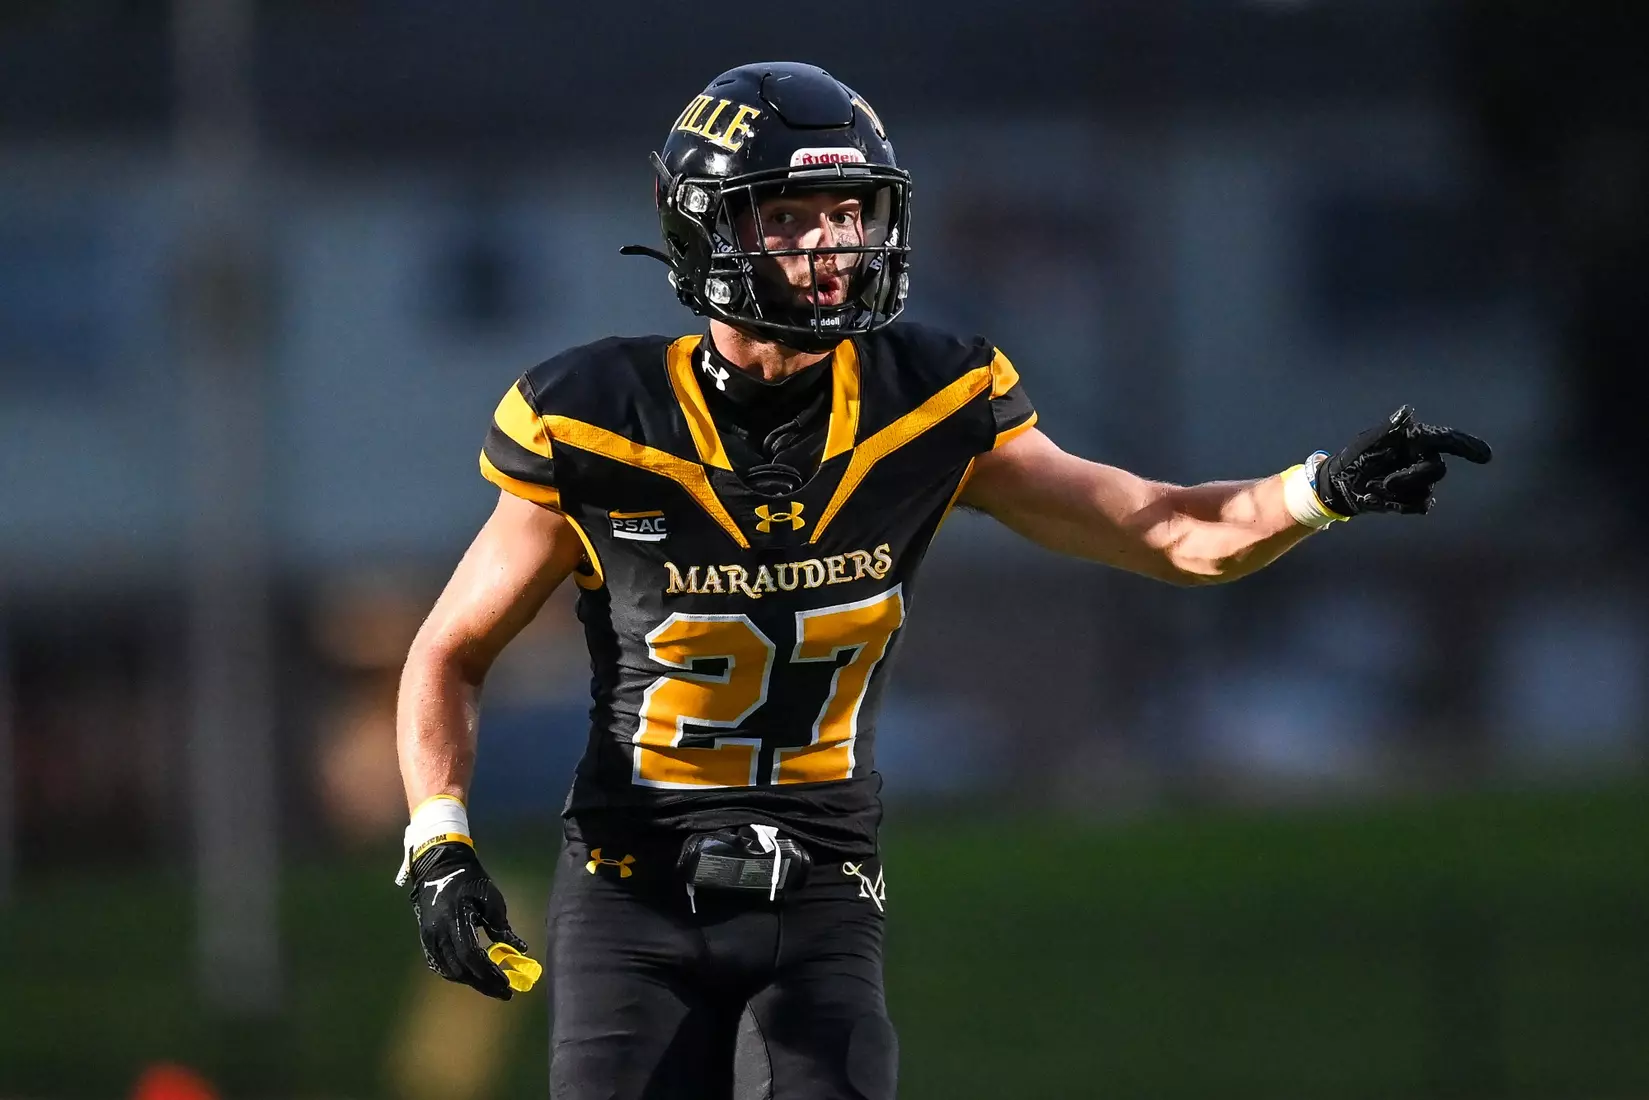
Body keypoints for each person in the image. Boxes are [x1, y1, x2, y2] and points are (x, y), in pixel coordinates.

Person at [393, 61, 1492, 1099]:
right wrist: (438, 837)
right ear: (704, 230)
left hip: (820, 886)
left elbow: (1163, 530)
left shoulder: (925, 398)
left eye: (845, 214)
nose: (829, 246)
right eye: (787, 219)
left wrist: (1314, 489)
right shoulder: (597, 418)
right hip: (631, 888)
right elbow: (450, 649)